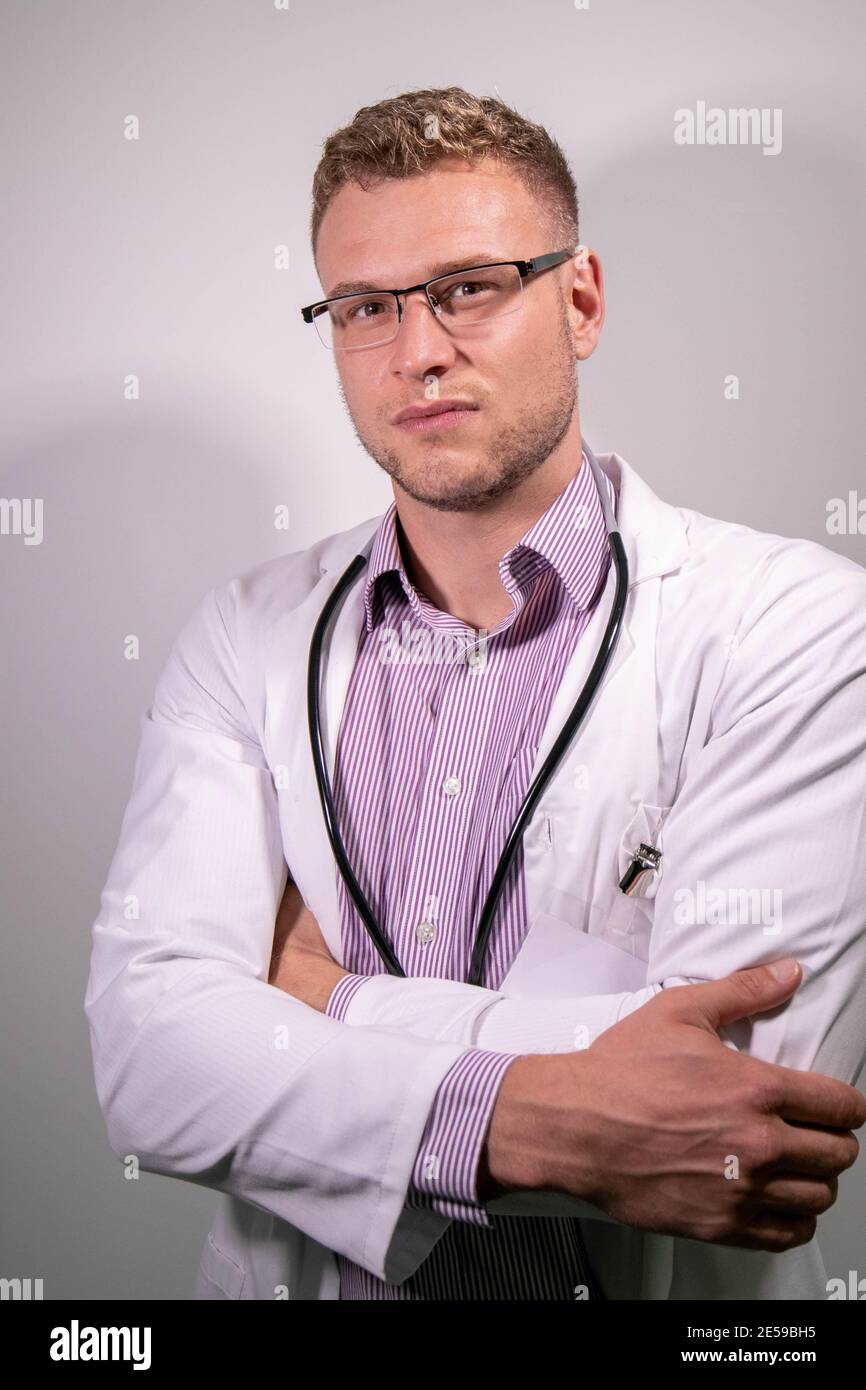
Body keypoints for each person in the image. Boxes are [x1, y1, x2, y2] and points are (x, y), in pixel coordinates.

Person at [85, 86, 866, 1301]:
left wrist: (322, 999)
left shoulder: (796, 625)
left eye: (468, 286)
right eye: (364, 306)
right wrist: (560, 1107)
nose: (417, 352)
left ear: (581, 298)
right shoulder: (245, 634)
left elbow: (737, 1124)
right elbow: (148, 1066)